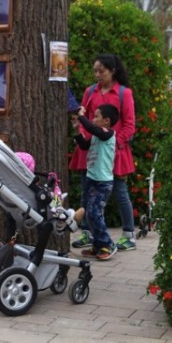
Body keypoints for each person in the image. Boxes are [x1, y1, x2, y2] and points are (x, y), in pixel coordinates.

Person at [69, 54, 137, 252]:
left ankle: (128, 234)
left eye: (102, 71)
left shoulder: (124, 93)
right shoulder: (90, 91)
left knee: (119, 191)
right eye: (95, 71)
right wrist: (83, 137)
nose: (97, 75)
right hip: (92, 150)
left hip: (115, 152)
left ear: (112, 71)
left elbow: (129, 125)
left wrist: (113, 144)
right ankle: (88, 233)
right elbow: (85, 118)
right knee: (86, 191)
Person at [71, 104, 119, 261]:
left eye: (96, 116)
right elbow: (84, 146)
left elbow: (92, 128)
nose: (93, 119)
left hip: (103, 182)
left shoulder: (108, 134)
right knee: (90, 214)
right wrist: (77, 130)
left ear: (106, 121)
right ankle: (98, 246)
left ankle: (108, 245)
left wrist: (81, 115)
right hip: (92, 179)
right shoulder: (97, 135)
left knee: (94, 213)